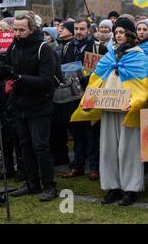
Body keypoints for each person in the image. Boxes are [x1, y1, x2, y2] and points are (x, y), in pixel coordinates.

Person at [73, 17, 148, 206]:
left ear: (130, 34)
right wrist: (88, 100)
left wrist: (134, 103)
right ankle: (113, 187)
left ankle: (131, 189)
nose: (118, 35)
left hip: (128, 111)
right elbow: (95, 80)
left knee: (129, 150)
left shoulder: (139, 57)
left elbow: (143, 87)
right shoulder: (109, 56)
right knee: (108, 149)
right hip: (108, 109)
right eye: (116, 32)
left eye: (122, 32)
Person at [0, 11, 58, 201]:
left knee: (40, 146)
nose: (17, 33)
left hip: (40, 104)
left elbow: (47, 81)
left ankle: (49, 186)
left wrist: (18, 78)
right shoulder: (14, 46)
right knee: (25, 145)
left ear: (31, 29)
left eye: (21, 30)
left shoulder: (44, 49)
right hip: (19, 103)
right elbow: (6, 68)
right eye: (15, 29)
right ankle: (32, 183)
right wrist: (1, 70)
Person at [61, 18, 107, 180]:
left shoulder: (98, 47)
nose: (78, 32)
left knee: (92, 133)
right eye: (76, 29)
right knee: (77, 131)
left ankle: (94, 167)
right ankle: (77, 165)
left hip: (91, 94)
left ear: (89, 30)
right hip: (72, 95)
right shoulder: (67, 47)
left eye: (82, 29)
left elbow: (104, 71)